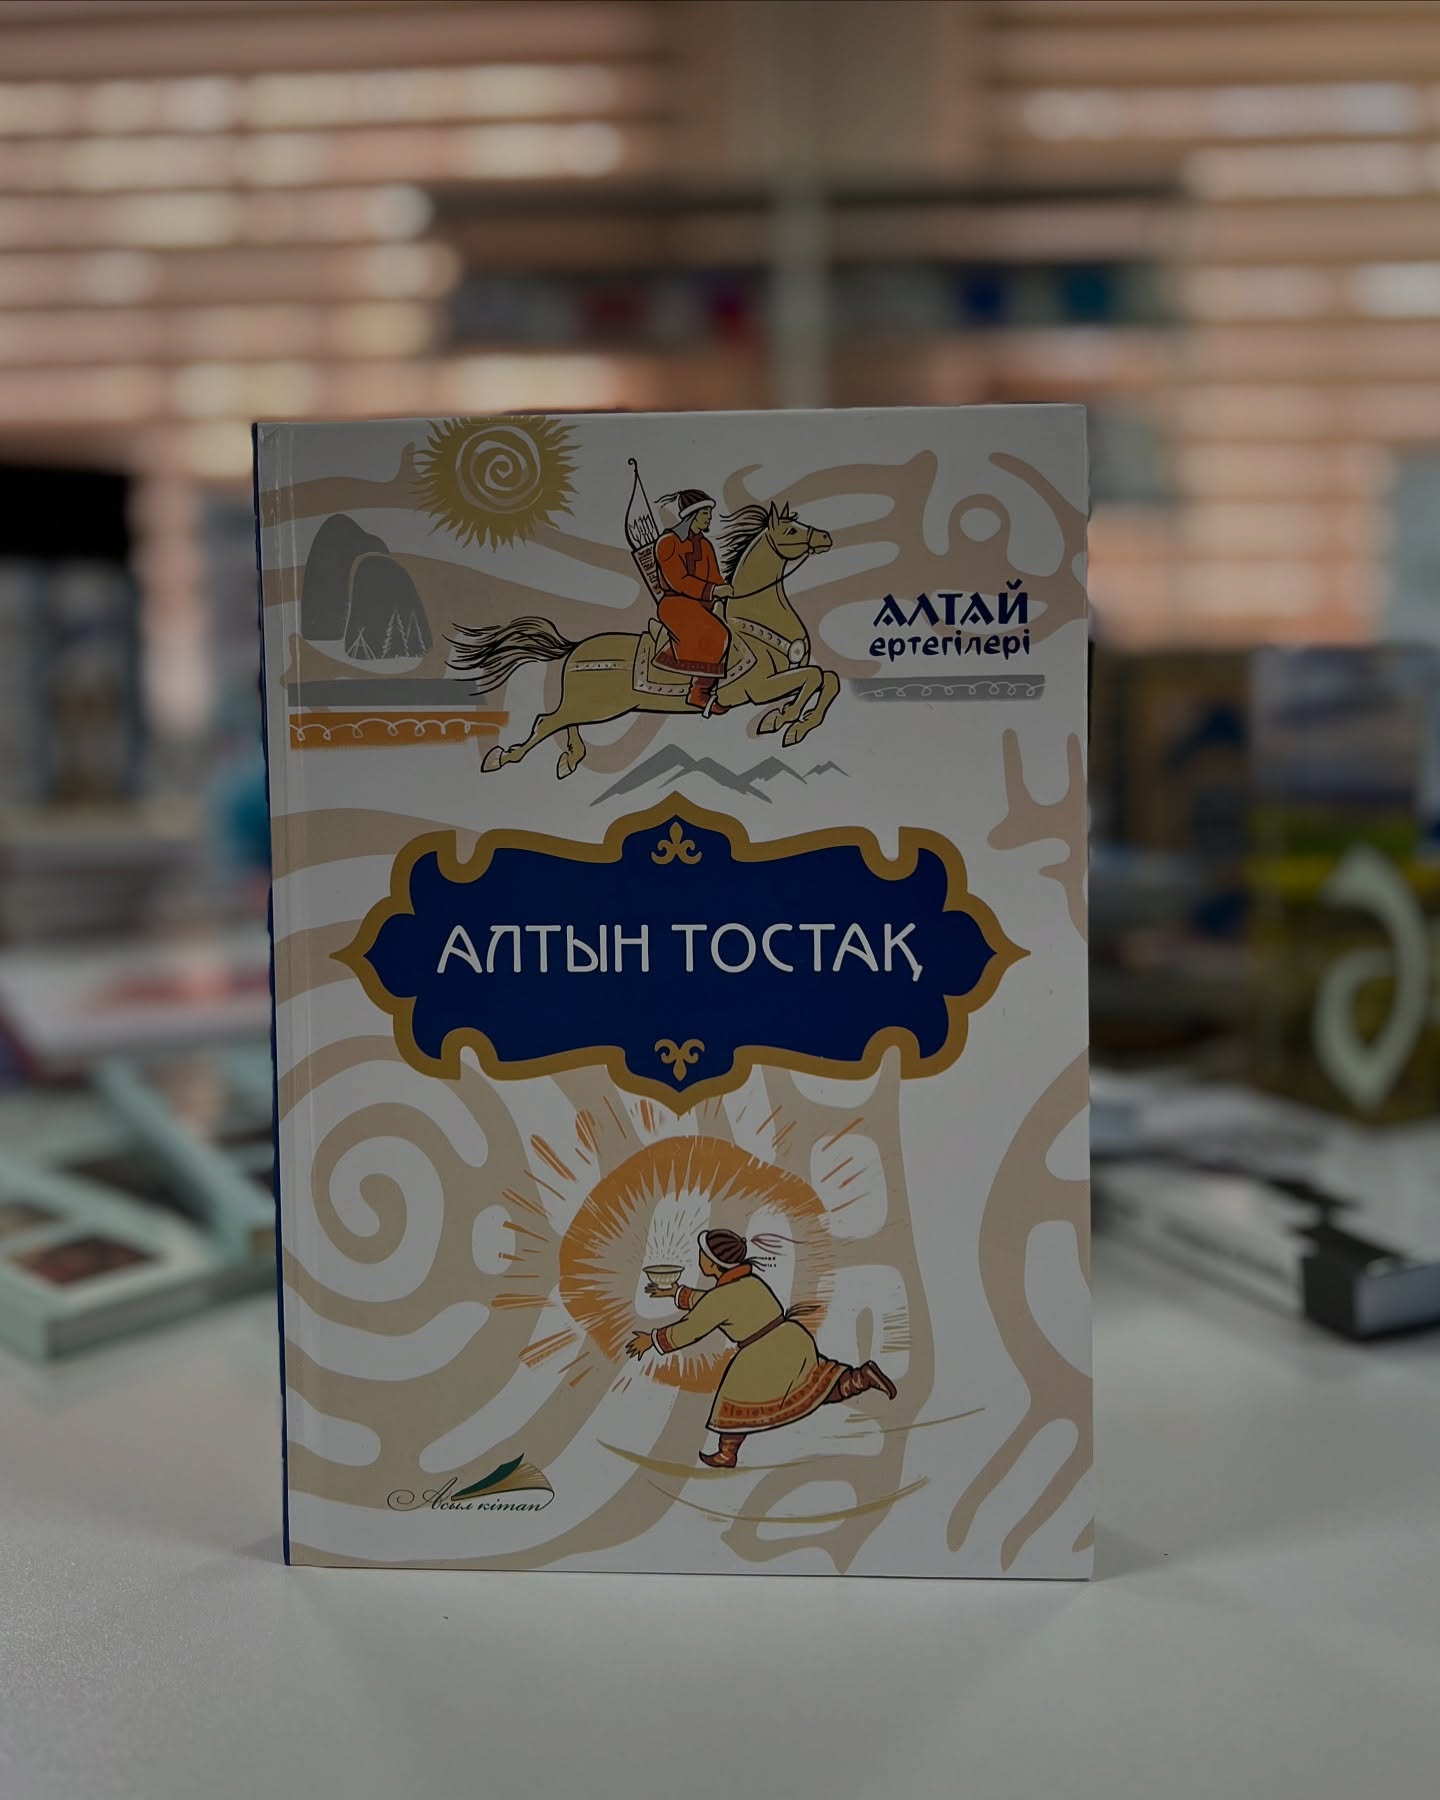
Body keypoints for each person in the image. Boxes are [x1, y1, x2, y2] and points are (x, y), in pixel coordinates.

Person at [626, 1227, 897, 1468]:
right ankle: (861, 1377)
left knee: (733, 1401)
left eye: (702, 1255)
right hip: (792, 1338)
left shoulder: (722, 1296)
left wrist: (651, 1339)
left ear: (712, 1262)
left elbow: (692, 1328)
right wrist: (676, 1292)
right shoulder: (749, 1283)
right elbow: (711, 1302)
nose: (699, 1258)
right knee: (816, 1386)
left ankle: (727, 1454)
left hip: (762, 1354)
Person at [652, 489, 733, 715]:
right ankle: (698, 693)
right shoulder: (668, 543)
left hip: (702, 603)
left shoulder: (705, 545)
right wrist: (713, 590)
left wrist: (725, 590)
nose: (709, 517)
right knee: (717, 634)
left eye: (709, 512)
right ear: (692, 515)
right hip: (676, 604)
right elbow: (679, 581)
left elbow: (715, 576)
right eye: (705, 512)